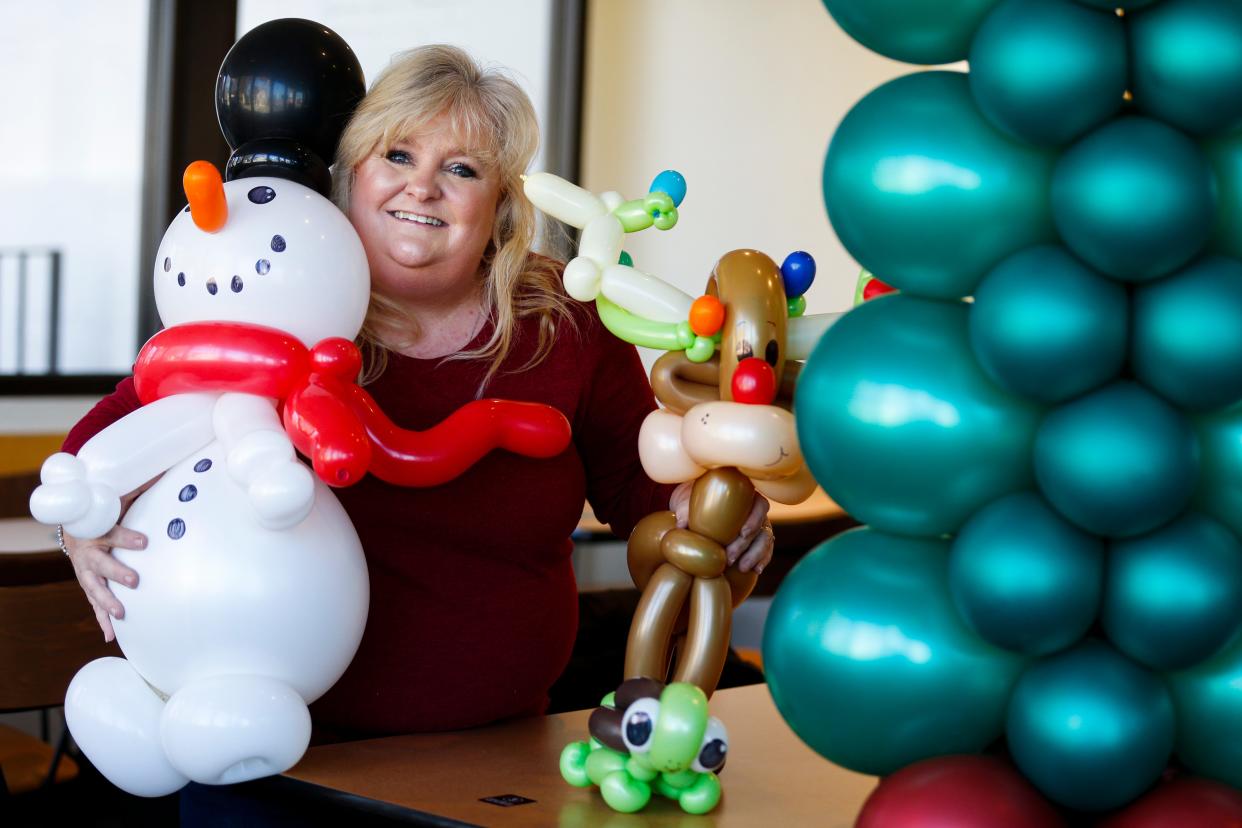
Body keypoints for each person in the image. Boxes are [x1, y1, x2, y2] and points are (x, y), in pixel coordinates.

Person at [59, 45, 774, 743]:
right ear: (353, 174)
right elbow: (110, 432)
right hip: (276, 745)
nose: (422, 187)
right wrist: (78, 530)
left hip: (503, 751)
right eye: (398, 156)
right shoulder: (281, 303)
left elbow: (635, 484)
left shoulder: (565, 319)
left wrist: (707, 513)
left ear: (499, 205)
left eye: (460, 169)